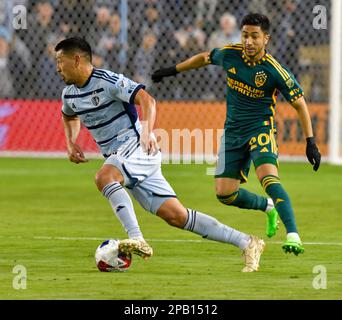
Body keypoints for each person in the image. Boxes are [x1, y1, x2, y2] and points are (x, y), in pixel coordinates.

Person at [55, 36, 265, 272]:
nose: (57, 67)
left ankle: (137, 238)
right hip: (123, 157)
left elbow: (148, 100)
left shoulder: (107, 81)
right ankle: (248, 242)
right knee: (177, 216)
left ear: (76, 59)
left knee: (104, 178)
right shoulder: (69, 94)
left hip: (136, 146)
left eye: (60, 61)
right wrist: (71, 142)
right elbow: (69, 115)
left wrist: (146, 132)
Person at [151, 13, 321, 255]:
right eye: (245, 35)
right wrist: (172, 70)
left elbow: (300, 103)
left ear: (266, 39)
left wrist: (310, 142)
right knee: (225, 194)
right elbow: (205, 57)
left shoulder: (274, 71)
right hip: (232, 132)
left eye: (254, 36)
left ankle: (293, 235)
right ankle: (268, 207)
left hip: (260, 129)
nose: (249, 41)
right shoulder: (230, 54)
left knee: (269, 179)